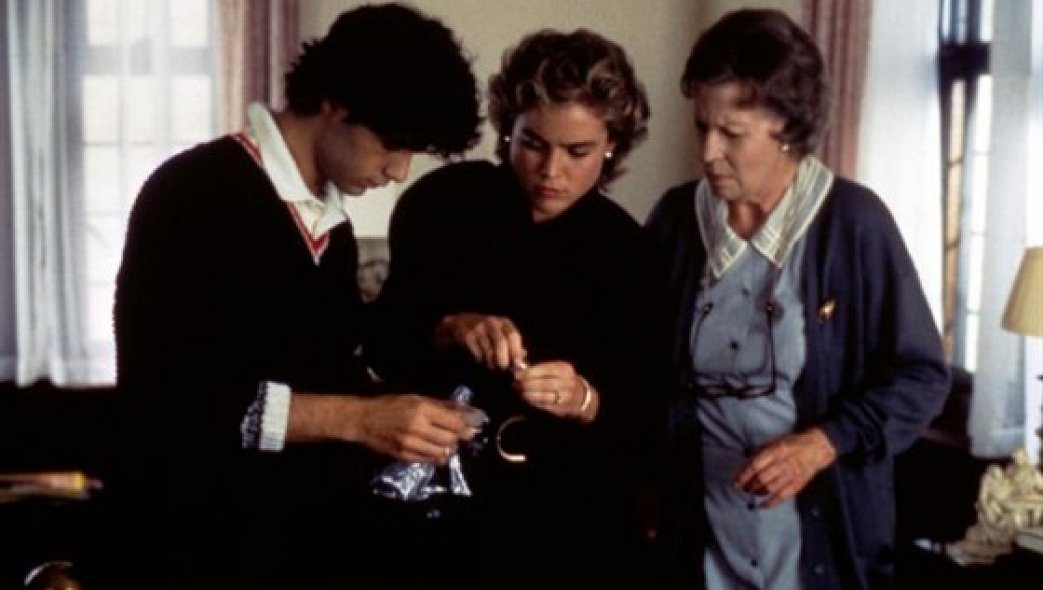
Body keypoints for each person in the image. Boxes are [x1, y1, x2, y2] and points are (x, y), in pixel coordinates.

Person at [107, 4, 481, 588]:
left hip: (289, 544)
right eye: (392, 143)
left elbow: (318, 374)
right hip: (195, 546)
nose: (399, 171)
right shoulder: (193, 193)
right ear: (335, 102)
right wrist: (361, 419)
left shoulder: (332, 230)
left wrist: (419, 411)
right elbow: (172, 402)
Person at [645, 9, 949, 589]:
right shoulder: (676, 222)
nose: (708, 151)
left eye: (732, 134)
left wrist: (823, 443)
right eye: (701, 127)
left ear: (786, 127)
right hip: (702, 536)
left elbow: (920, 376)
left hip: (819, 542)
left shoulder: (855, 224)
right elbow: (642, 372)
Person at [367, 28, 654, 583]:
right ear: (507, 129)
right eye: (533, 143)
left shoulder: (629, 251)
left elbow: (645, 418)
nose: (550, 172)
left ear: (612, 145)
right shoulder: (439, 204)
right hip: (437, 511)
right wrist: (449, 327)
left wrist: (584, 398)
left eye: (578, 152)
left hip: (570, 521)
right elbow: (382, 349)